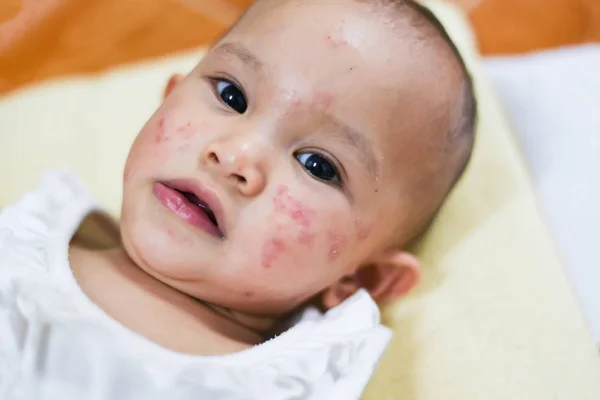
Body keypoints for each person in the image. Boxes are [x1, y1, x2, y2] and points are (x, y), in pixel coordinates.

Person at [0, 0, 476, 398]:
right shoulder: (31, 232)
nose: (234, 157)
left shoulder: (291, 379)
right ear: (167, 97)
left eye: (318, 165)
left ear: (362, 279)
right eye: (232, 96)